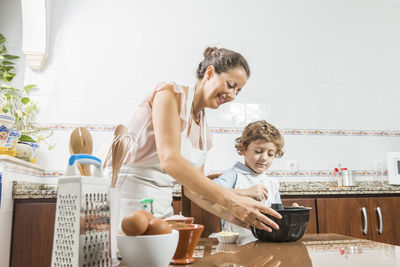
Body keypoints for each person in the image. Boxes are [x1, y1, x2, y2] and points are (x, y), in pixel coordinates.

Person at [112, 47, 281, 232]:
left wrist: (232, 216)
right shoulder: (169, 93)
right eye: (230, 85)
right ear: (210, 73)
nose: (232, 96)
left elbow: (193, 190)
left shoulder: (203, 131)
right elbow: (170, 161)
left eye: (238, 92)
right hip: (129, 203)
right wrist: (232, 201)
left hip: (162, 208)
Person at [213, 120, 286, 236]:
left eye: (270, 154)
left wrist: (292, 212)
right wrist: (245, 192)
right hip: (235, 245)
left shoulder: (272, 183)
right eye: (258, 151)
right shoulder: (233, 175)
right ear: (243, 149)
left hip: (264, 244)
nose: (264, 158)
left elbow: (278, 215)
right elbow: (210, 192)